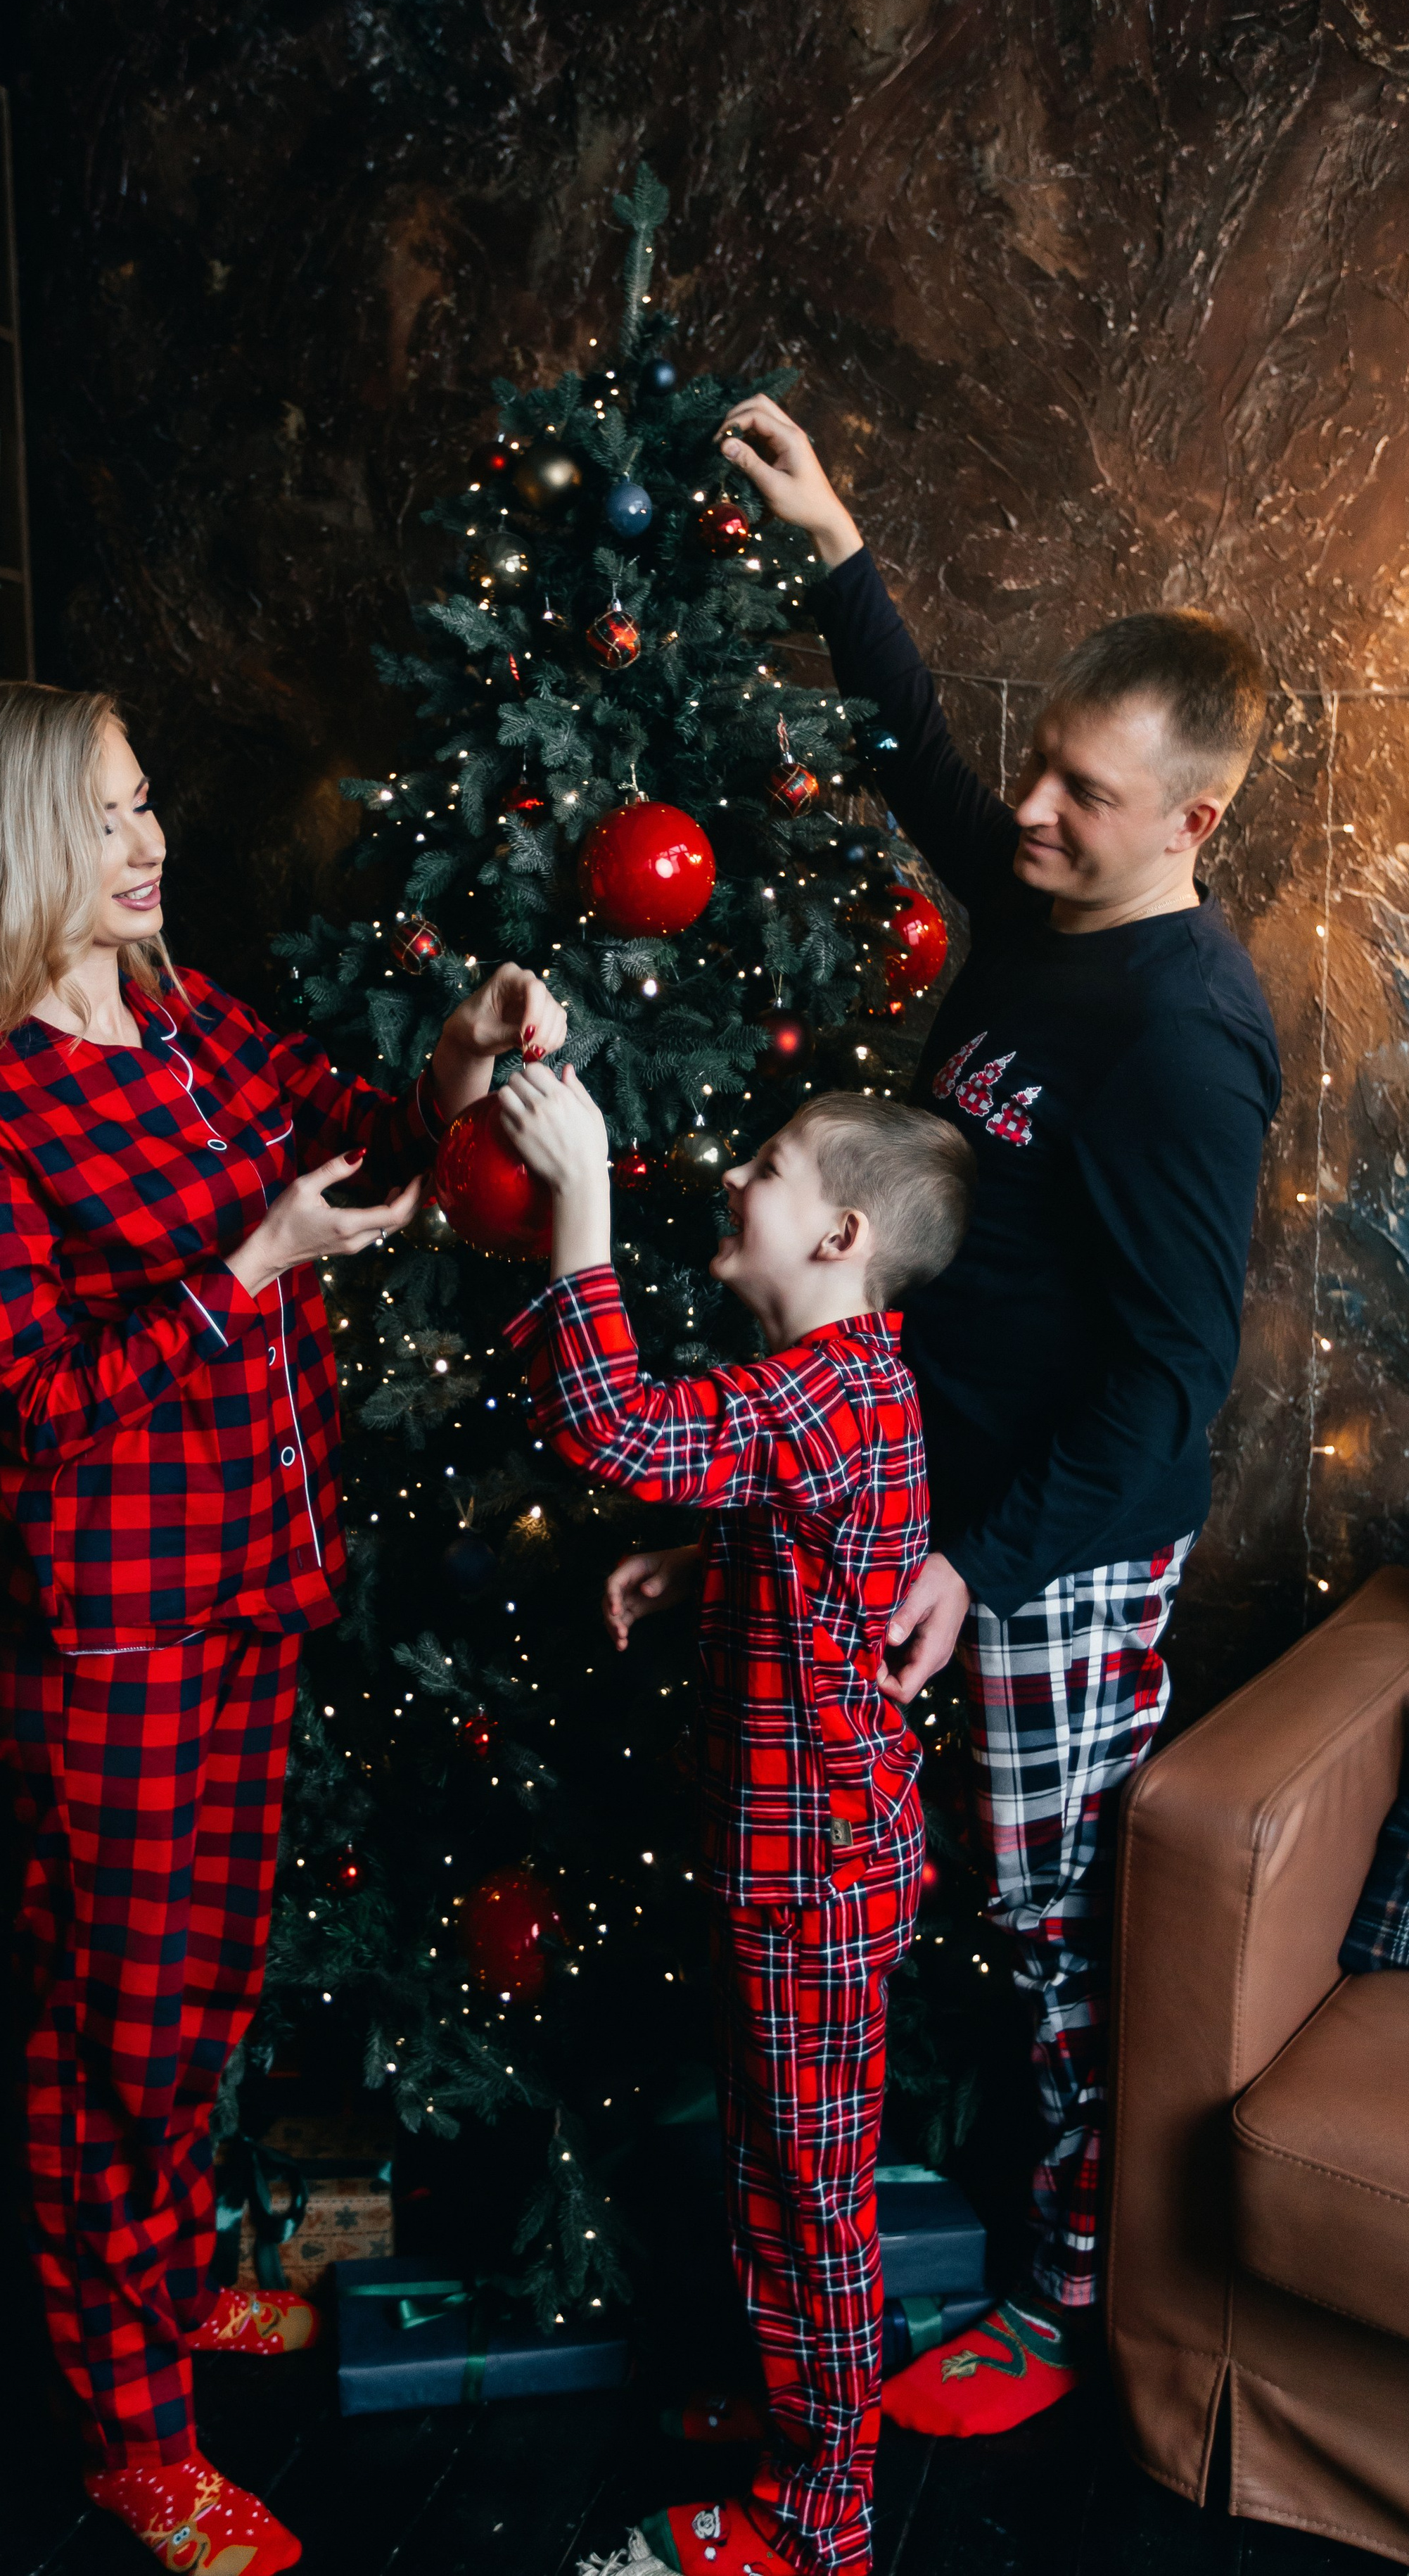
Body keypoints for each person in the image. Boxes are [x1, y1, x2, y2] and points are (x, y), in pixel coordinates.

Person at [0, 680, 566, 2575]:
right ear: (14, 845)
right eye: (105, 815)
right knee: (119, 2041)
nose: (149, 839)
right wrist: (247, 1269)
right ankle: (133, 2445)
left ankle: (156, 2302)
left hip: (254, 1596)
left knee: (210, 2004)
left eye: (147, 799)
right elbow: (49, 1410)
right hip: (117, 1642)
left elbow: (358, 1126)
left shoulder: (175, 1016)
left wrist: (460, 1063)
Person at [714, 393, 1280, 2435]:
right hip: (923, 1500)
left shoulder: (1187, 1043)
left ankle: (1062, 2297)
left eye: (1087, 796)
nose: (1033, 812)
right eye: (1044, 763)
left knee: (1052, 1939)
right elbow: (928, 775)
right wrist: (839, 547)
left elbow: (1171, 1382)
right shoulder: (1040, 907)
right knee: (922, 1890)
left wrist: (985, 1556)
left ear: (1190, 826)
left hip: (1056, 1546)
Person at [499, 1062, 974, 2576]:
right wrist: (697, 1571)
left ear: (835, 1236)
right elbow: (822, 1554)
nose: (731, 1175)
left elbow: (618, 1432)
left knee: (798, 2202)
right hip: (810, 1862)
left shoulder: (814, 1395)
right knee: (788, 2181)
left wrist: (577, 1203)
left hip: (808, 1880)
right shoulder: (849, 1382)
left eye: (764, 1165)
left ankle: (815, 2519)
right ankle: (802, 2424)